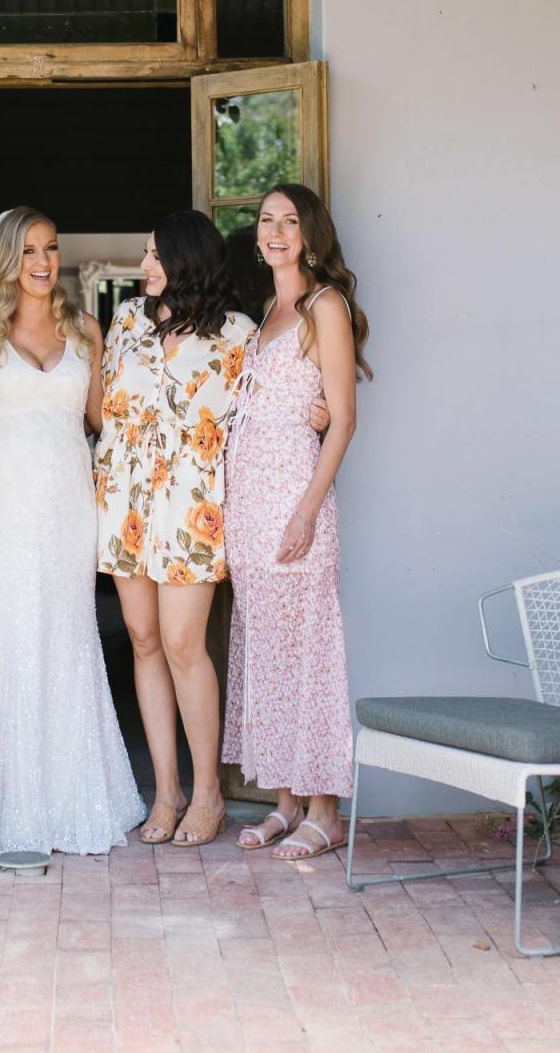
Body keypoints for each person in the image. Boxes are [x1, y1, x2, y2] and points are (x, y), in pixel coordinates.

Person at [0, 207, 145, 856]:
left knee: (67, 639)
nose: (43, 261)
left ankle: (78, 793)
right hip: (2, 509)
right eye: (30, 250)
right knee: (12, 644)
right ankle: (16, 801)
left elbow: (106, 421)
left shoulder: (87, 330)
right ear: (7, 259)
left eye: (51, 248)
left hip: (70, 507)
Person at [93, 211, 255, 849]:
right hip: (127, 498)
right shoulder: (129, 321)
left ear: (189, 258)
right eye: (144, 253)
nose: (145, 266)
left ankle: (209, 791)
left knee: (186, 644)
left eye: (156, 254)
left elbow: (266, 413)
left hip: (191, 505)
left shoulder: (238, 334)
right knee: (143, 639)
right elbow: (103, 407)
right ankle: (167, 790)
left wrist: (320, 410)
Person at [223, 183, 371, 861]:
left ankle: (325, 810)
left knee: (308, 653)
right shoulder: (268, 312)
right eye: (265, 221)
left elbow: (342, 416)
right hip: (248, 505)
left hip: (293, 500)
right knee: (268, 653)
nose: (275, 231)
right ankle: (284, 801)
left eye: (288, 222)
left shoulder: (324, 305)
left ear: (309, 235)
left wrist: (307, 509)